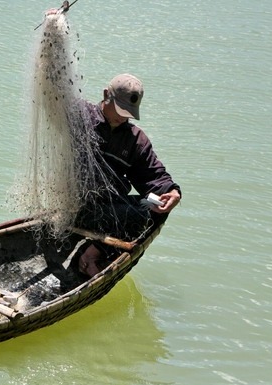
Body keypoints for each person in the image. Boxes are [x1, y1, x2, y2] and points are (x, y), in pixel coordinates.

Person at [41, 8, 181, 277]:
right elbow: (53, 85)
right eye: (118, 109)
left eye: (128, 114)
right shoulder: (78, 115)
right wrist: (53, 34)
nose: (122, 118)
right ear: (105, 96)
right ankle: (91, 250)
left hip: (107, 211)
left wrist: (171, 192)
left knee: (152, 209)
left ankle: (94, 251)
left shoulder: (136, 140)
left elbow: (154, 176)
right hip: (71, 207)